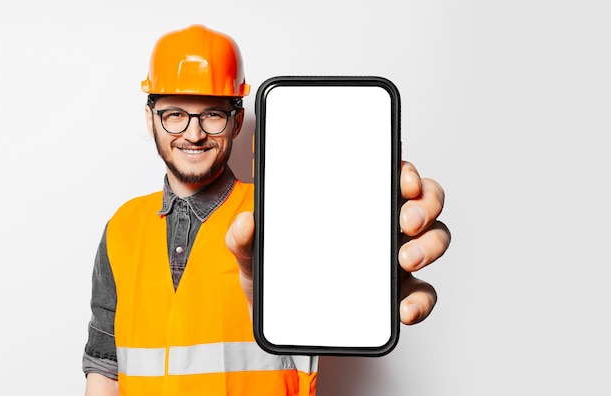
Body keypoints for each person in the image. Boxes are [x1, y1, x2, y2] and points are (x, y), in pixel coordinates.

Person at [83, 24, 451, 396]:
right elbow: (104, 366)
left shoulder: (281, 212)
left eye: (212, 114)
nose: (193, 134)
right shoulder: (122, 227)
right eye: (175, 114)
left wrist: (368, 249)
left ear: (238, 121)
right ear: (151, 118)